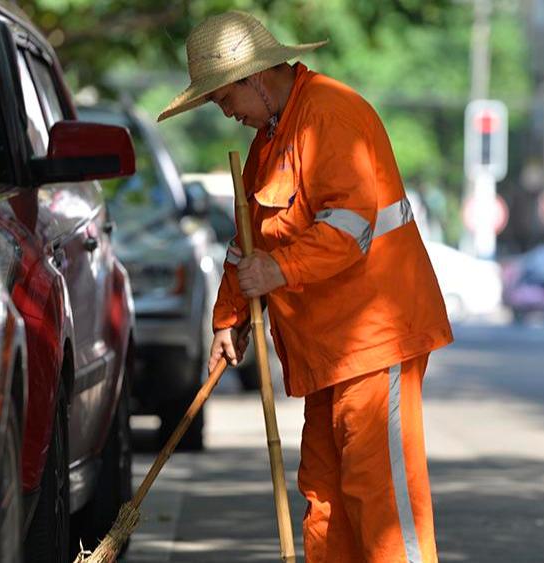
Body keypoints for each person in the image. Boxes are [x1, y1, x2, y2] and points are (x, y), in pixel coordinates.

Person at [158, 11, 453, 563]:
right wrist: (230, 318)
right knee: (324, 496)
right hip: (326, 349)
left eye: (225, 99)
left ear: (254, 79)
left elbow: (350, 225)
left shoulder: (329, 114)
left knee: (380, 499)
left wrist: (279, 270)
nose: (226, 114)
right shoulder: (270, 139)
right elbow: (247, 243)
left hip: (374, 337)